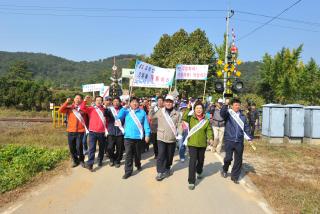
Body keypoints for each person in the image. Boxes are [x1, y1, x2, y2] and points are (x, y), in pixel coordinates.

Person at [220, 98, 253, 184]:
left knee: (238, 160)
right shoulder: (228, 114)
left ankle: (234, 177)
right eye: (235, 105)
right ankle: (225, 169)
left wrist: (249, 138)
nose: (237, 106)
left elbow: (246, 127)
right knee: (228, 158)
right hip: (229, 140)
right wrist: (225, 104)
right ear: (232, 106)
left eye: (238, 105)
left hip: (239, 141)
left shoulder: (243, 116)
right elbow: (222, 113)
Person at [117, 97, 151, 179]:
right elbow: (118, 117)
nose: (134, 103)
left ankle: (138, 164)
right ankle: (128, 171)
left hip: (138, 137)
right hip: (128, 137)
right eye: (133, 102)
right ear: (130, 103)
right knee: (128, 154)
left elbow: (146, 125)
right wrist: (123, 108)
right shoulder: (126, 111)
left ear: (138, 103)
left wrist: (147, 135)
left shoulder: (142, 112)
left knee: (137, 153)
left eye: (136, 102)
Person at [182, 100, 213, 190]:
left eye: (200, 108)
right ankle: (191, 181)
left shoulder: (206, 118)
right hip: (192, 143)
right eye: (197, 108)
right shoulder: (191, 117)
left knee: (201, 160)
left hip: (202, 143)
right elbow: (184, 118)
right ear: (194, 109)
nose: (199, 110)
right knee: (192, 161)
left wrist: (210, 138)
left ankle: (199, 170)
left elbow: (209, 129)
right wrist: (188, 109)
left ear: (203, 109)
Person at [150, 94, 181, 181]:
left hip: (172, 137)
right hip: (161, 137)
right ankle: (160, 172)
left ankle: (167, 167)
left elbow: (179, 124)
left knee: (170, 155)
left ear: (173, 103)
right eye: (167, 101)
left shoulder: (177, 113)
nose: (168, 103)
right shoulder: (160, 111)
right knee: (161, 154)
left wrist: (180, 133)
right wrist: (152, 108)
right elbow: (152, 118)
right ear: (164, 103)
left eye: (170, 102)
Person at [59, 94, 88, 168]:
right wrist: (66, 102)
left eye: (79, 98)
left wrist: (85, 102)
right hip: (71, 131)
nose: (78, 99)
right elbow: (60, 110)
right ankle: (75, 161)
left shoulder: (83, 108)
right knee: (72, 148)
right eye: (76, 98)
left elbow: (85, 112)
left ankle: (81, 160)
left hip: (80, 131)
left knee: (79, 147)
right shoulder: (70, 108)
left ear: (81, 100)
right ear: (74, 99)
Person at [80, 96, 108, 171]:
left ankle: (100, 160)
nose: (99, 101)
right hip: (92, 132)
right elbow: (82, 108)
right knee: (92, 148)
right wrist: (85, 100)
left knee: (101, 148)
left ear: (102, 101)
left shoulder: (105, 110)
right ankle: (90, 164)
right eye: (97, 100)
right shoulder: (91, 109)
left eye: (100, 100)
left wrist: (106, 130)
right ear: (95, 101)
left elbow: (107, 120)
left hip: (102, 132)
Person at [104, 97, 124, 168]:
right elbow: (105, 114)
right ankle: (112, 159)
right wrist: (106, 107)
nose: (116, 103)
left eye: (117, 101)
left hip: (120, 132)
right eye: (114, 101)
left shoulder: (123, 109)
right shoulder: (109, 109)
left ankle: (117, 161)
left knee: (120, 148)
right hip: (111, 131)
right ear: (112, 102)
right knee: (109, 147)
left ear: (120, 102)